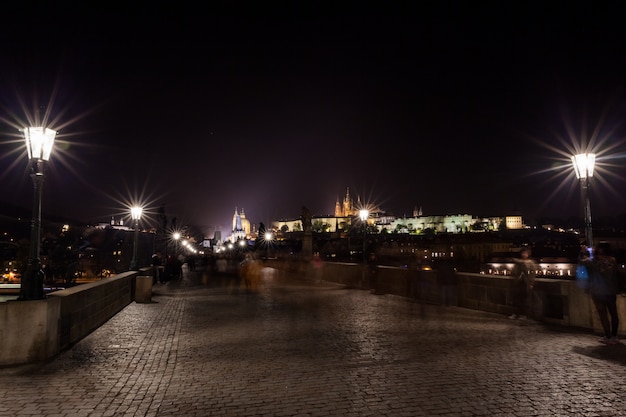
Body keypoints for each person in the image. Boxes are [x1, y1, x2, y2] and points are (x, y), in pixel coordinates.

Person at [582, 242, 621, 345]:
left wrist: (583, 252)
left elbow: (581, 264)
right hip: (611, 291)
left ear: (600, 249)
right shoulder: (612, 261)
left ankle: (608, 337)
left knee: (603, 314)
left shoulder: (593, 261)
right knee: (614, 314)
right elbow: (617, 275)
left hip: (598, 291)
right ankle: (615, 336)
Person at [509, 246, 537, 319]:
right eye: (523, 253)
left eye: (525, 253)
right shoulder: (518, 263)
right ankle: (516, 313)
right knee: (516, 298)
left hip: (526, 283)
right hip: (518, 282)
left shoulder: (530, 263)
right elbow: (514, 271)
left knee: (525, 299)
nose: (524, 255)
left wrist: (531, 283)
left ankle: (524, 315)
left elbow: (533, 274)